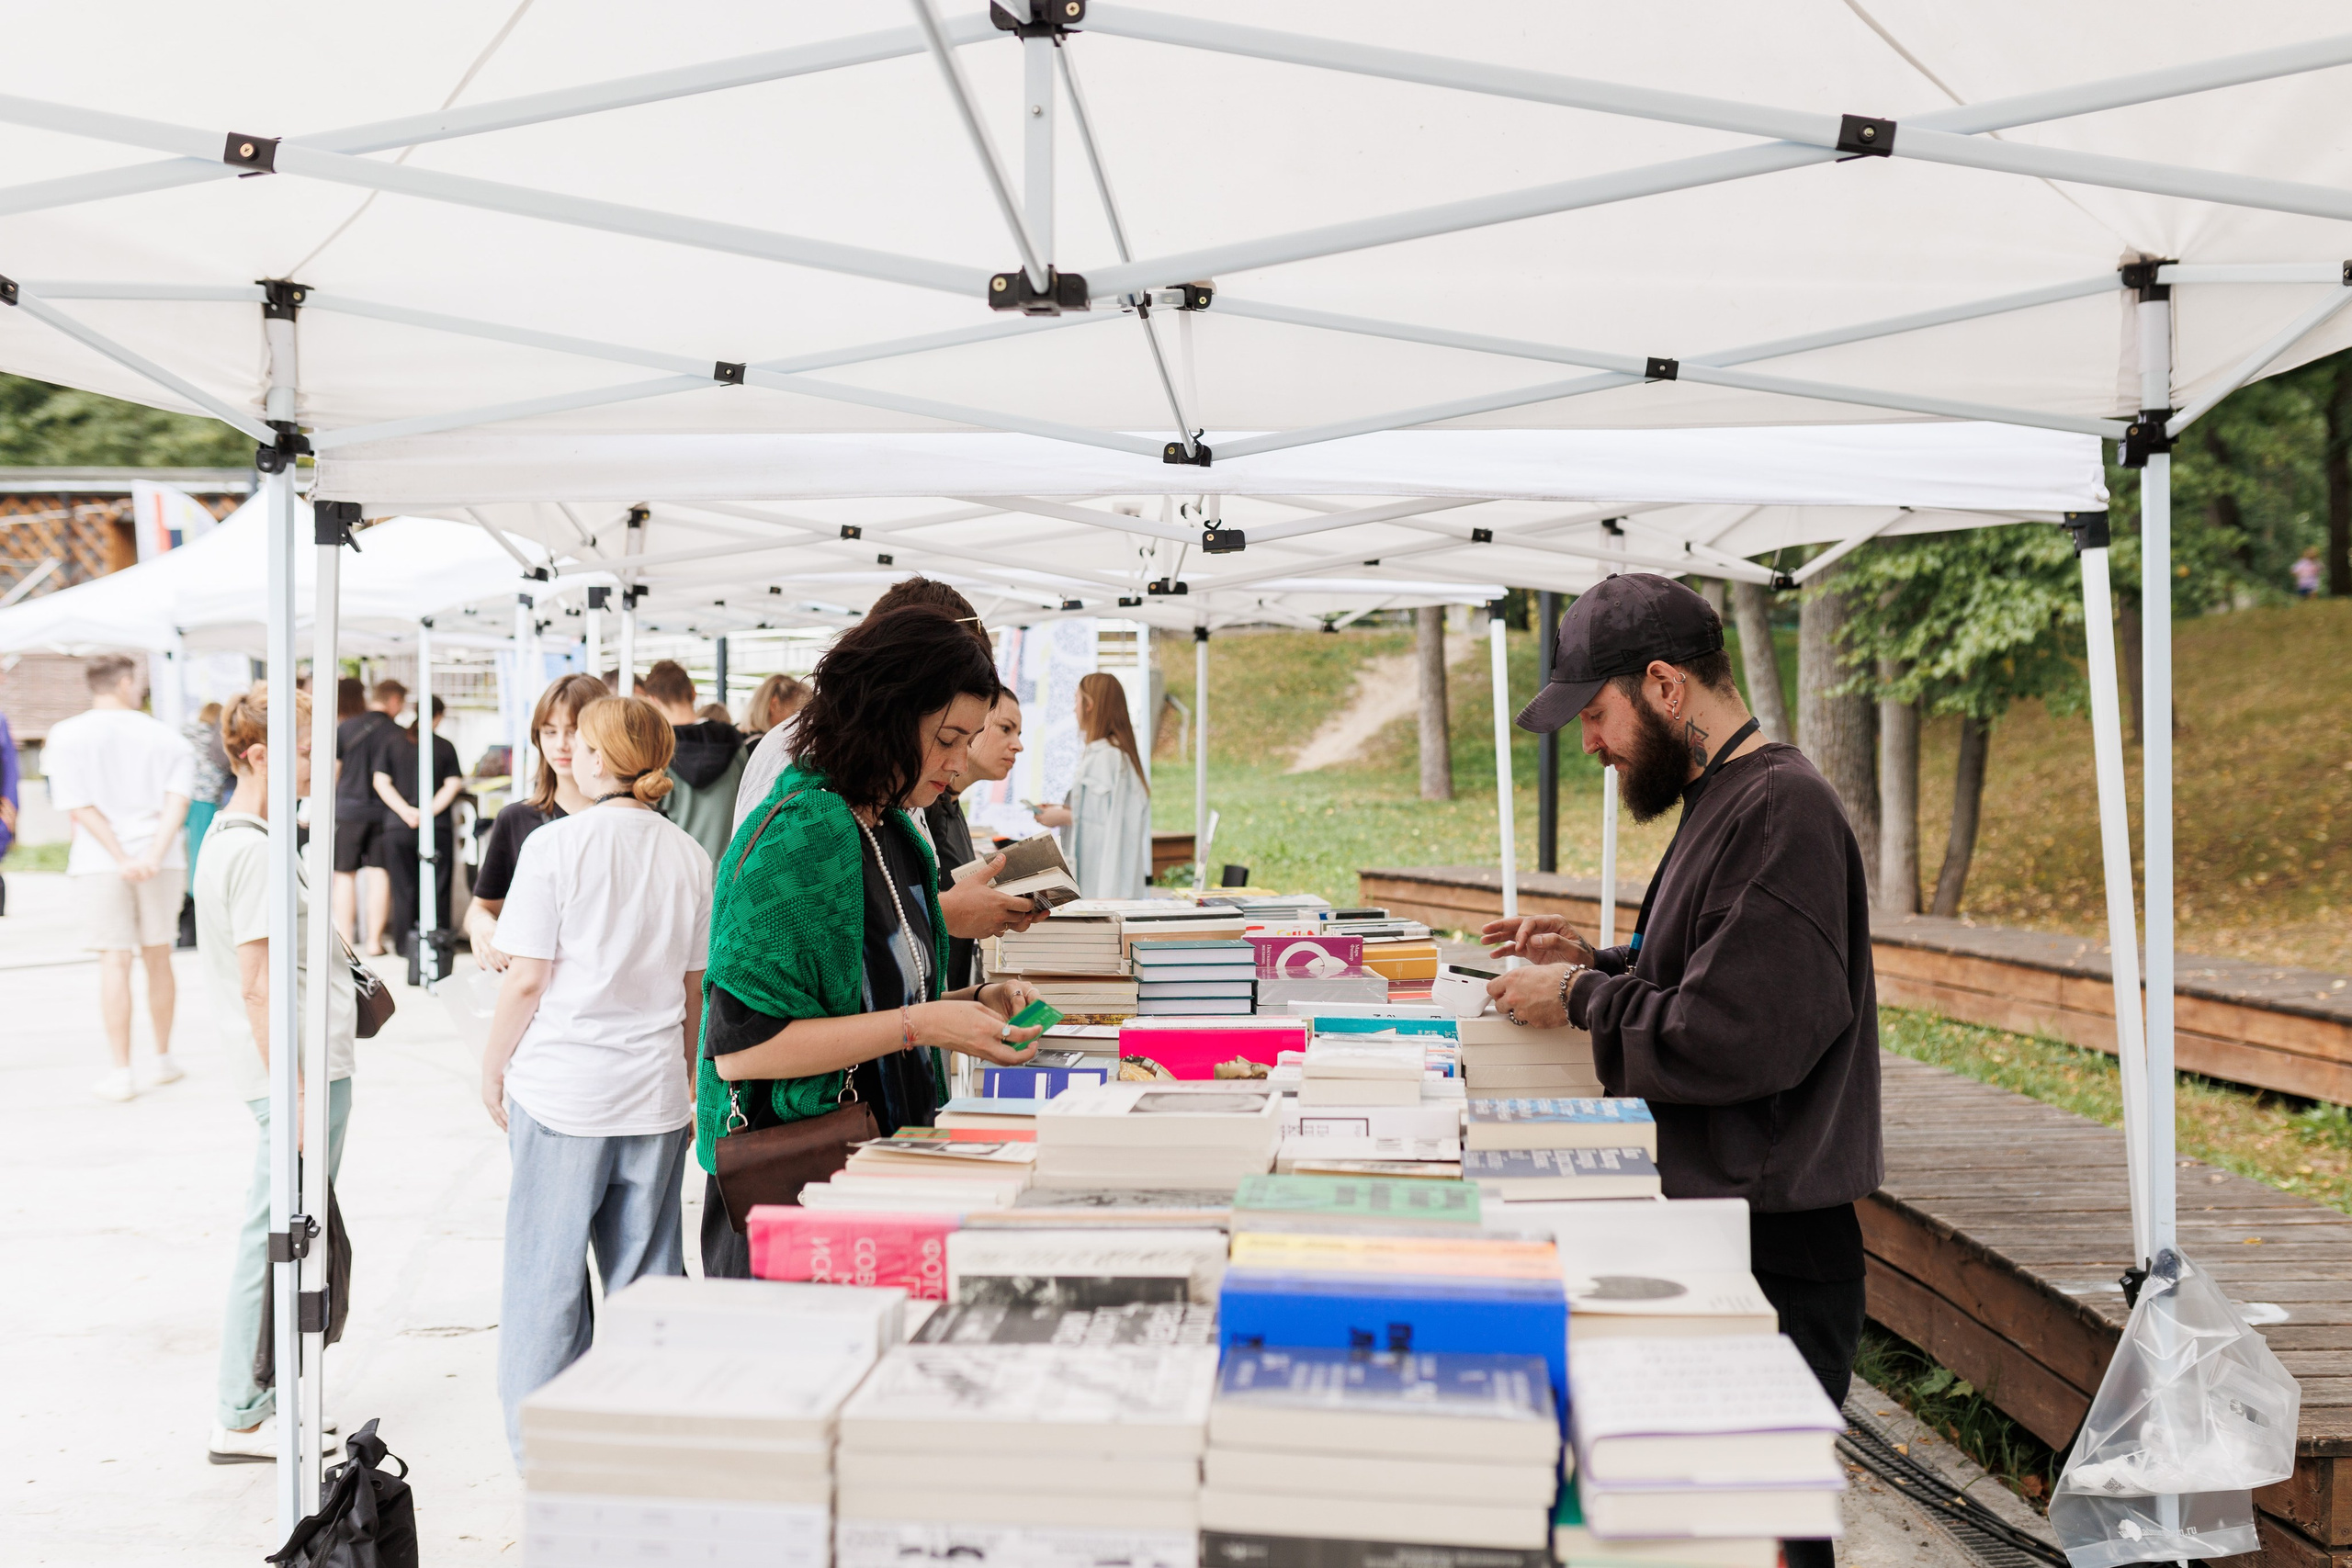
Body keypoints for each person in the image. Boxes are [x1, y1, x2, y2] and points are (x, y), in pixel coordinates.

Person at [1480, 574, 1879, 1568]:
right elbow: (1704, 968)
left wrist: (1577, 1001)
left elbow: (1739, 1032)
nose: (1589, 743)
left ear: (1662, 686)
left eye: (1597, 713)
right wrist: (1597, 961)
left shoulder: (1782, 809)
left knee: (1757, 1538)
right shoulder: (1728, 798)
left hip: (1774, 1246)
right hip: (1725, 1223)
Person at [694, 605, 1047, 1280]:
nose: (958, 760)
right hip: (795, 1196)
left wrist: (974, 998)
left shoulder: (892, 828)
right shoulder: (806, 830)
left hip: (870, 1175)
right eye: (947, 738)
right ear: (888, 712)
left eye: (967, 738)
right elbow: (742, 1050)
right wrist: (923, 1024)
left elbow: (869, 993)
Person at [479, 695, 712, 1459]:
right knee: (651, 1282)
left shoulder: (556, 848)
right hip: (651, 1095)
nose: (567, 754)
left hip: (564, 1091)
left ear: (599, 758)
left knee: (546, 1282)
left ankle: (548, 1451)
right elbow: (692, 989)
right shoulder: (689, 853)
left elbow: (524, 979)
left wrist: (491, 1066)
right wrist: (683, 1081)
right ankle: (654, 1441)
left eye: (577, 743)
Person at [192, 684, 356, 1463]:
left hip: (292, 1072)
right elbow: (259, 983)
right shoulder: (253, 848)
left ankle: (262, 1394)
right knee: (278, 1233)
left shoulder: (244, 835)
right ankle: (242, 1405)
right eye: (300, 747)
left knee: (290, 1228)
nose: (316, 762)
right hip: (291, 1075)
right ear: (257, 754)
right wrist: (292, 1085)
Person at [43, 653, 194, 1100]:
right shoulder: (164, 735)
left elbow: (77, 805)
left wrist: (120, 855)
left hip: (98, 862)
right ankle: (163, 1058)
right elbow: (177, 802)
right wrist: (150, 853)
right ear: (126, 682)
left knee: (114, 961)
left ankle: (122, 1070)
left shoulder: (66, 735)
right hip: (160, 859)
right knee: (158, 956)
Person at [466, 674, 607, 972]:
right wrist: (481, 926)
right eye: (549, 731)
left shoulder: (633, 820)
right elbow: (481, 906)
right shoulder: (516, 818)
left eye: (573, 731)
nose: (561, 745)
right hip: (537, 991)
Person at [928, 677, 1032, 992]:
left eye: (1019, 733)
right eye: (1005, 728)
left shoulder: (953, 809)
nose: (1018, 745)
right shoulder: (924, 809)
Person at [1033, 671, 1151, 899]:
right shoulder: (1106, 755)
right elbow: (1100, 814)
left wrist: (1065, 817)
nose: (1073, 709)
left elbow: (1114, 825)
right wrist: (1064, 812)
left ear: (1089, 705)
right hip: (1096, 882)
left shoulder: (1110, 758)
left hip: (1106, 886)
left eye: (1075, 701)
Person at [373, 695, 464, 961]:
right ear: (439, 716)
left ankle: (405, 946)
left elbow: (381, 782)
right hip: (438, 827)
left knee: (404, 888)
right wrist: (428, 813)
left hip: (398, 827)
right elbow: (453, 784)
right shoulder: (445, 746)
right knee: (438, 888)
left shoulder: (392, 742)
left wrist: (404, 811)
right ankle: (438, 944)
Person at [638, 659, 747, 866]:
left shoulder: (657, 750)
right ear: (693, 692)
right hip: (730, 874)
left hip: (679, 872)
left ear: (652, 700)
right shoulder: (734, 741)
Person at [334, 679, 406, 955]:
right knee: (379, 873)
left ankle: (346, 942)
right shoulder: (397, 733)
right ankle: (374, 942)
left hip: (348, 810)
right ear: (394, 701)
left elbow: (334, 771)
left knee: (344, 875)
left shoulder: (346, 727)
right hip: (383, 813)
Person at [741, 672, 810, 739]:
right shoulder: (766, 743)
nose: (801, 720)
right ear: (774, 705)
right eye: (796, 712)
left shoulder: (736, 735)